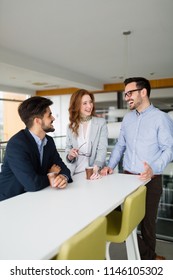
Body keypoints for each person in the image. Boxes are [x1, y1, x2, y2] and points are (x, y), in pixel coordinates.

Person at [100, 77, 173, 260]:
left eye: (130, 93)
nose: (126, 97)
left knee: (148, 224)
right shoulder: (127, 119)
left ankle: (147, 262)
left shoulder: (161, 118)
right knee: (124, 220)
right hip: (126, 179)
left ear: (143, 92)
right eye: (125, 94)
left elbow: (169, 149)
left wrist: (153, 168)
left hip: (151, 179)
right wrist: (110, 166)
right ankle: (150, 257)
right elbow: (119, 146)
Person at [0, 96, 72, 201]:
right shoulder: (17, 145)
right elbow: (32, 184)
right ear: (37, 121)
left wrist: (63, 177)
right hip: (10, 202)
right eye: (49, 115)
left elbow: (64, 169)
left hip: (35, 198)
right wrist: (51, 175)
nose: (53, 118)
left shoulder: (49, 142)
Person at [66, 89, 108, 178]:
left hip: (94, 172)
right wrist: (70, 155)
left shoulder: (101, 123)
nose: (89, 106)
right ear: (77, 105)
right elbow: (68, 149)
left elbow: (102, 149)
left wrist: (96, 168)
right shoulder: (70, 126)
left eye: (90, 102)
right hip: (75, 174)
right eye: (84, 103)